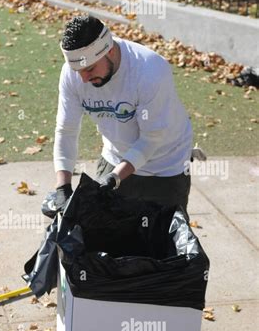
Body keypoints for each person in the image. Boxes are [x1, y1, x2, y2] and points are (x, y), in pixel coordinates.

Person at [54, 15, 193, 214]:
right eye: (77, 70)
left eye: (90, 69)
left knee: (161, 241)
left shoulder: (149, 70)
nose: (83, 79)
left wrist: (114, 178)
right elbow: (66, 130)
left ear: (109, 50)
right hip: (115, 156)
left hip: (165, 165)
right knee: (103, 237)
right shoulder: (72, 74)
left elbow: (152, 138)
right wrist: (63, 187)